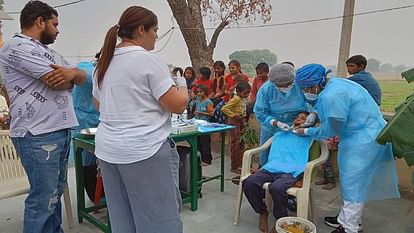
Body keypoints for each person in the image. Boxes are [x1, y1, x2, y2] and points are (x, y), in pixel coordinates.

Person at [92, 6, 188, 233]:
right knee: (159, 220)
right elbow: (178, 104)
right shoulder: (147, 60)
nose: (156, 35)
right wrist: (182, 85)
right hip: (144, 150)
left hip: (108, 151)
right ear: (141, 29)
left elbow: (99, 104)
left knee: (122, 216)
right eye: (155, 30)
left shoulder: (104, 63)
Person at [0, 1, 87, 232]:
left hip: (58, 130)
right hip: (37, 134)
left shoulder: (50, 52)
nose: (58, 30)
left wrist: (73, 74)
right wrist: (71, 77)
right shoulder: (15, 47)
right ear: (40, 21)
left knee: (54, 195)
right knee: (42, 200)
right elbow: (57, 82)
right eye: (55, 24)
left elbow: (81, 77)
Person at [294, 64, 400, 233]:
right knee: (351, 182)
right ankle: (346, 219)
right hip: (360, 135)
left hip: (364, 141)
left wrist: (306, 131)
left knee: (353, 184)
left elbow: (331, 129)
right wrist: (313, 113)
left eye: (305, 88)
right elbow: (325, 106)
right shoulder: (334, 84)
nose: (304, 92)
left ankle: (349, 227)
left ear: (315, 84)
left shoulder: (332, 96)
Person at [243, 111, 312, 233]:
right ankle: (262, 211)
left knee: (276, 188)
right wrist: (278, 124)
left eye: (303, 119)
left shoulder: (309, 135)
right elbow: (264, 117)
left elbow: (324, 134)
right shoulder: (281, 133)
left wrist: (303, 179)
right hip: (271, 167)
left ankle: (280, 220)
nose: (299, 119)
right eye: (297, 117)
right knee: (249, 182)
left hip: (291, 170)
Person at [254, 63, 310, 167]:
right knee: (268, 157)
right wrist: (276, 123)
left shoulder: (300, 87)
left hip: (296, 128)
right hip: (271, 128)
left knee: (291, 158)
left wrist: (303, 121)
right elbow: (261, 112)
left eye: (287, 85)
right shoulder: (266, 90)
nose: (285, 88)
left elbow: (310, 104)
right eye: (280, 86)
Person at [72, 60, 101, 202]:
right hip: (84, 122)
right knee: (86, 159)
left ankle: (100, 195)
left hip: (100, 118)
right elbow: (83, 76)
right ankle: (94, 195)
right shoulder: (87, 68)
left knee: (99, 160)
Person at [221, 81, 251, 174]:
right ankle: (234, 166)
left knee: (241, 143)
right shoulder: (236, 98)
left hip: (241, 121)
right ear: (238, 91)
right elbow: (224, 108)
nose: (246, 95)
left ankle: (240, 163)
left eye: (248, 93)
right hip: (234, 122)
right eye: (245, 93)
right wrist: (234, 115)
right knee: (235, 143)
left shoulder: (241, 99)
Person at [189, 84, 214, 165]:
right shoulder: (198, 102)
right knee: (198, 142)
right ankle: (200, 159)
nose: (199, 93)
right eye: (198, 92)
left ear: (205, 92)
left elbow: (211, 113)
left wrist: (200, 112)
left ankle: (207, 160)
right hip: (198, 124)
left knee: (205, 143)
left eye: (201, 92)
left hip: (205, 125)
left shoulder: (208, 102)